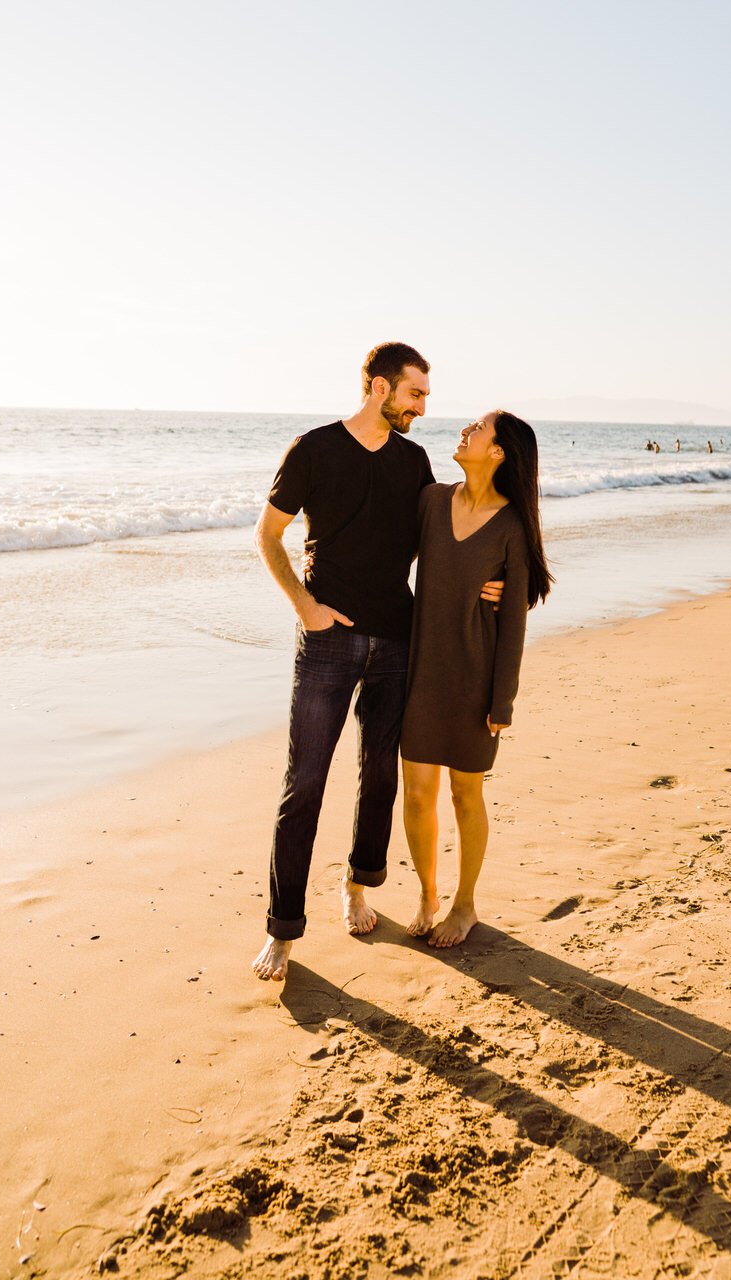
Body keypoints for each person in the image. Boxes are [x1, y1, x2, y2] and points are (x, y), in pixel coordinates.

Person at [250, 342, 501, 982]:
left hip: (398, 640)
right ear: (378, 388)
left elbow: (447, 537)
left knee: (380, 778)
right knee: (303, 783)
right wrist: (304, 606)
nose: (422, 406)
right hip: (328, 639)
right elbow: (267, 534)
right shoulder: (313, 449)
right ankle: (282, 931)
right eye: (415, 393)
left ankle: (358, 885)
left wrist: (488, 583)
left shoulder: (414, 461)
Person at [400, 410, 552, 948]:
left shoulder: (511, 525)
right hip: (421, 672)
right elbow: (390, 556)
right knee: (417, 794)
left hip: (475, 679)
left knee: (466, 795)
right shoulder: (431, 501)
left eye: (479, 427)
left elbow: (514, 623)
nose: (466, 428)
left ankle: (464, 904)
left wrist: (501, 702)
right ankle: (427, 892)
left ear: (499, 452)